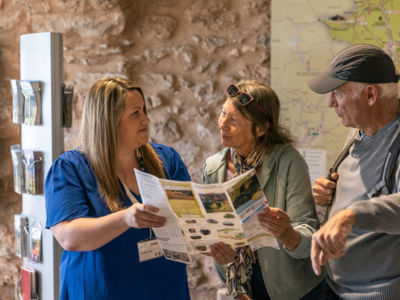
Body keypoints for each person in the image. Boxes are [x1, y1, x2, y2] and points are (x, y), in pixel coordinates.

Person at [45, 77, 191, 300]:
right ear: (108, 121)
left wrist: (210, 241)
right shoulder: (70, 168)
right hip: (100, 290)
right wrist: (125, 219)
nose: (146, 119)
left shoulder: (167, 159)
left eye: (144, 110)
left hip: (163, 288)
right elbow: (68, 237)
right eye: (136, 113)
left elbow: (190, 217)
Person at [203, 80, 325, 300]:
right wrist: (222, 259)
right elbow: (218, 235)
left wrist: (286, 232)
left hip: (293, 290)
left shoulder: (289, 161)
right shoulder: (213, 168)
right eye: (223, 114)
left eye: (233, 121)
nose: (222, 124)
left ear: (261, 128)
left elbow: (309, 237)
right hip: (244, 286)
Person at [308, 43, 400, 299]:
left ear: (370, 95)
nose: (330, 103)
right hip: (337, 287)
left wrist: (351, 214)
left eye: (337, 93)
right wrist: (330, 195)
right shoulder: (358, 130)